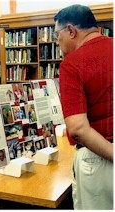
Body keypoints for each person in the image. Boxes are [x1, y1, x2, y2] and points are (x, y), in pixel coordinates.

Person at [54, 4, 113, 210]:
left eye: (57, 35)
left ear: (71, 30)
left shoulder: (72, 64)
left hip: (100, 158)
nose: (57, 42)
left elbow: (78, 129)